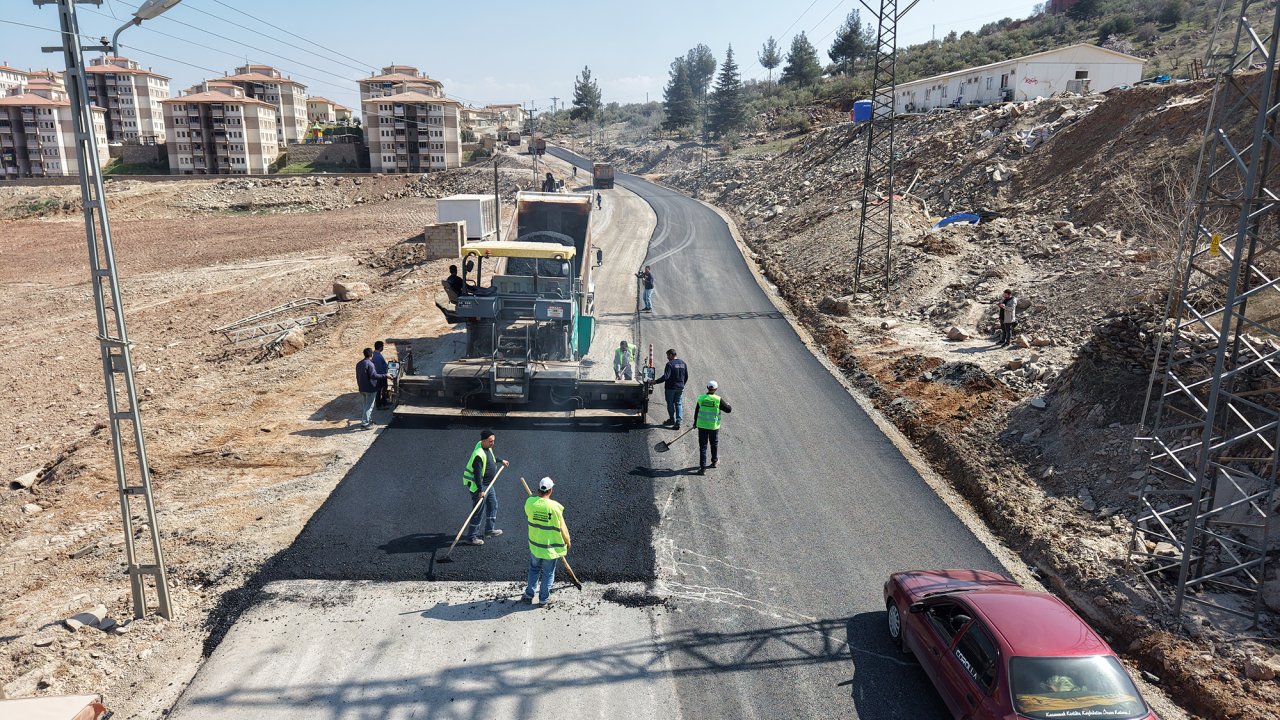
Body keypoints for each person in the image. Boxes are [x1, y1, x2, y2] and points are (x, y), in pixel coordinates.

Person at [523, 476, 570, 606]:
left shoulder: (529, 503)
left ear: (539, 490)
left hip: (535, 546)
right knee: (548, 573)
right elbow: (563, 528)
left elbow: (529, 512)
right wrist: (567, 542)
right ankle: (543, 599)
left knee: (534, 569)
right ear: (550, 491)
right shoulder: (556, 507)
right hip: (550, 548)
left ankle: (528, 594)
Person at [462, 430, 509, 545]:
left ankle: (489, 530)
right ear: (483, 441)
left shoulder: (486, 447)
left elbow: (491, 458)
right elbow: (477, 475)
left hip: (489, 484)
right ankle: (471, 537)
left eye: (493, 441)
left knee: (493, 504)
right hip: (480, 486)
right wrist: (480, 490)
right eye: (490, 441)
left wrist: (500, 460)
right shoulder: (478, 455)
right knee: (478, 511)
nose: (493, 443)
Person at [694, 380, 733, 474]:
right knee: (713, 444)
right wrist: (728, 404)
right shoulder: (718, 399)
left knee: (703, 447)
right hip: (713, 427)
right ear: (716, 389)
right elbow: (728, 410)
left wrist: (695, 422)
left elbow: (697, 411)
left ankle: (702, 468)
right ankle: (714, 461)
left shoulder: (701, 398)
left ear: (707, 388)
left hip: (702, 426)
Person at [651, 348, 688, 429]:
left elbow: (666, 377)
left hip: (670, 388)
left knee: (670, 404)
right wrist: (682, 385)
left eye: (668, 355)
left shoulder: (670, 364)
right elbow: (686, 376)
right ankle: (678, 421)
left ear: (671, 355)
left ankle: (672, 419)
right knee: (678, 403)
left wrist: (655, 381)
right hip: (680, 387)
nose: (667, 357)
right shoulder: (683, 363)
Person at [355, 348, 386, 429]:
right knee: (369, 407)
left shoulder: (359, 364)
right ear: (371, 354)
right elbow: (373, 375)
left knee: (366, 406)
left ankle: (369, 420)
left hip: (362, 388)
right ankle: (365, 424)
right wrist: (385, 375)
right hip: (370, 389)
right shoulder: (370, 364)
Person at [372, 340, 390, 409]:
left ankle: (384, 402)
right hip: (380, 376)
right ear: (380, 347)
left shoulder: (375, 354)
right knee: (379, 391)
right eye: (383, 346)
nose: (383, 348)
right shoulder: (377, 356)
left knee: (383, 390)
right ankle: (379, 405)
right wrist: (385, 376)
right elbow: (379, 368)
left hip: (380, 376)